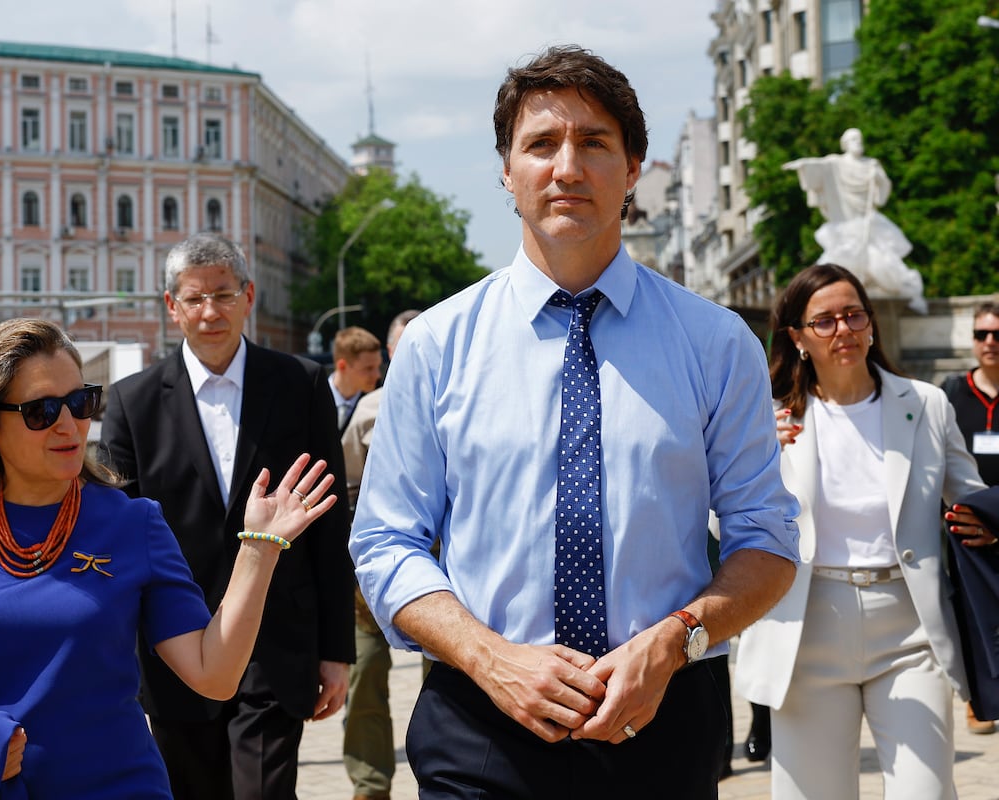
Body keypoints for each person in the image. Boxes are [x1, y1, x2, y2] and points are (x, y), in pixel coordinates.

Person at [349, 44, 800, 798]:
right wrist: (492, 658)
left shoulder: (716, 342)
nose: (567, 167)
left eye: (594, 143)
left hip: (665, 711)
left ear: (632, 169)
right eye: (541, 145)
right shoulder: (436, 345)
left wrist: (676, 640)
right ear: (506, 170)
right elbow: (386, 540)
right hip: (482, 719)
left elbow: (768, 537)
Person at [0, 317, 335, 797]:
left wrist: (258, 549)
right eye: (41, 410)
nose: (69, 425)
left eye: (81, 403)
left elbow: (214, 675)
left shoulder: (134, 523)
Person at [100, 232, 355, 800]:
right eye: (194, 298)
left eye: (223, 294)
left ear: (249, 296)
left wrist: (336, 650)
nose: (210, 312)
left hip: (277, 645)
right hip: (175, 648)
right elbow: (117, 537)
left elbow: (329, 525)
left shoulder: (301, 385)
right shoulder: (131, 403)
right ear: (172, 307)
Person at [734, 263, 994, 799]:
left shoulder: (926, 404)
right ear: (798, 337)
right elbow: (724, 522)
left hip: (910, 630)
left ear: (871, 324)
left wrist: (986, 525)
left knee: (926, 792)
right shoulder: (767, 416)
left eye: (853, 315)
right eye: (824, 320)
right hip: (806, 629)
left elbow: (969, 497)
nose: (843, 330)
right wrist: (759, 458)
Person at [341, 308, 419, 800]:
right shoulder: (369, 410)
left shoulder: (464, 402)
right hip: (373, 575)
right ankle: (371, 787)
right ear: (393, 352)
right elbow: (346, 483)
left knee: (454, 686)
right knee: (365, 675)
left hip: (451, 573)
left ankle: (449, 780)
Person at [784, 128, 926, 313]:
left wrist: (879, 180)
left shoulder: (872, 165)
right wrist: (803, 165)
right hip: (845, 226)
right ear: (845, 144)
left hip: (867, 222)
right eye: (852, 140)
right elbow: (818, 166)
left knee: (881, 264)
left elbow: (881, 194)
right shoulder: (837, 163)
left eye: (859, 139)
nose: (857, 143)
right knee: (840, 265)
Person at [939, 300, 999, 734]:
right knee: (969, 610)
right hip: (964, 529)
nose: (990, 343)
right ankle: (978, 697)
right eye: (982, 334)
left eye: (998, 334)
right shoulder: (951, 393)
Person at [329, 326, 383, 433]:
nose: (377, 375)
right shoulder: (312, 399)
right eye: (369, 368)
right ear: (342, 366)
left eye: (378, 367)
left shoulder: (380, 403)